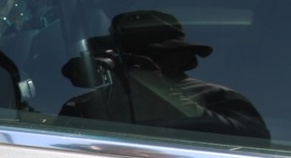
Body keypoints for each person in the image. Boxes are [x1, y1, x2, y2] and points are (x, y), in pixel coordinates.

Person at [60, 10, 270, 139]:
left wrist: (161, 92)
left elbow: (252, 141)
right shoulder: (84, 106)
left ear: (182, 57)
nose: (140, 64)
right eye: (129, 56)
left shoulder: (217, 97)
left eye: (156, 54)